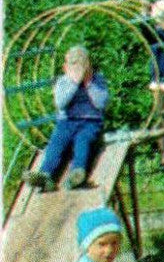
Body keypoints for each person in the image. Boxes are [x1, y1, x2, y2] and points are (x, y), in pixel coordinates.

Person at [27, 46, 108, 191]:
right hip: (66, 122)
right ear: (65, 68)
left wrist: (88, 84)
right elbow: (60, 103)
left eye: (81, 66)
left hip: (90, 122)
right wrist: (74, 83)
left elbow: (100, 103)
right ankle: (45, 175)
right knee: (56, 142)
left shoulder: (97, 80)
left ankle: (77, 173)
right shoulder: (63, 82)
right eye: (73, 66)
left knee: (82, 141)